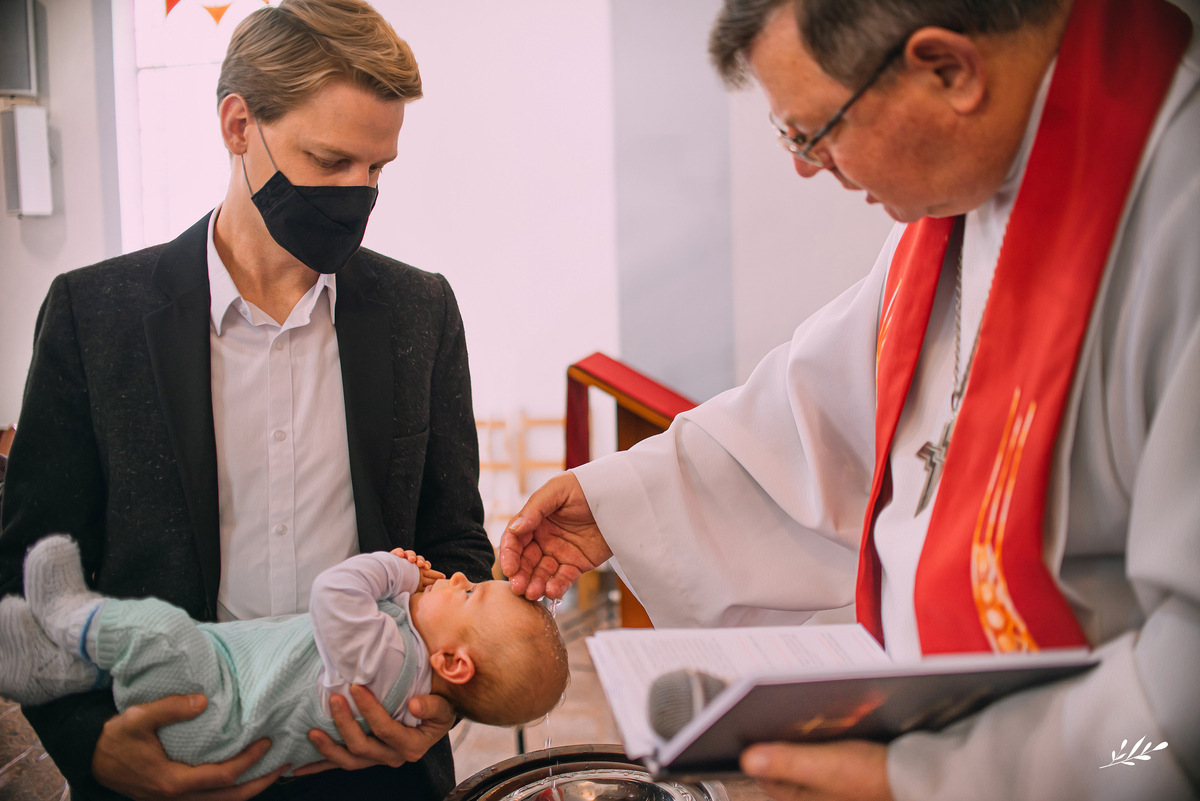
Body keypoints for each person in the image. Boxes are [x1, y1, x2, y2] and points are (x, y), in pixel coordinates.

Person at [501, 0, 1199, 799]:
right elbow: (817, 420)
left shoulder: (1174, 213)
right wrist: (620, 502)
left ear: (948, 70)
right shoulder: (959, 204)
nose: (804, 165)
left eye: (812, 131)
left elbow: (1180, 714)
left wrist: (942, 779)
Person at [0, 0, 495, 798]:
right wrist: (95, 748)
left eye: (377, 169)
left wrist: (436, 704)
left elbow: (456, 544)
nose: (358, 194)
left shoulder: (420, 310)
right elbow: (30, 567)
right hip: (163, 756)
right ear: (238, 125)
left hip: (373, 767)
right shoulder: (95, 316)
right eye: (331, 161)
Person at [0, 537, 568, 780]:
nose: (462, 576)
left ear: (453, 665)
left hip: (212, 705)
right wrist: (416, 595)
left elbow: (335, 593)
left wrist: (394, 572)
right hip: (224, 701)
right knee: (147, 653)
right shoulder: (407, 677)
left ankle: (69, 616)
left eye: (469, 594)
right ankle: (49, 669)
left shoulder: (388, 661)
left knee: (161, 636)